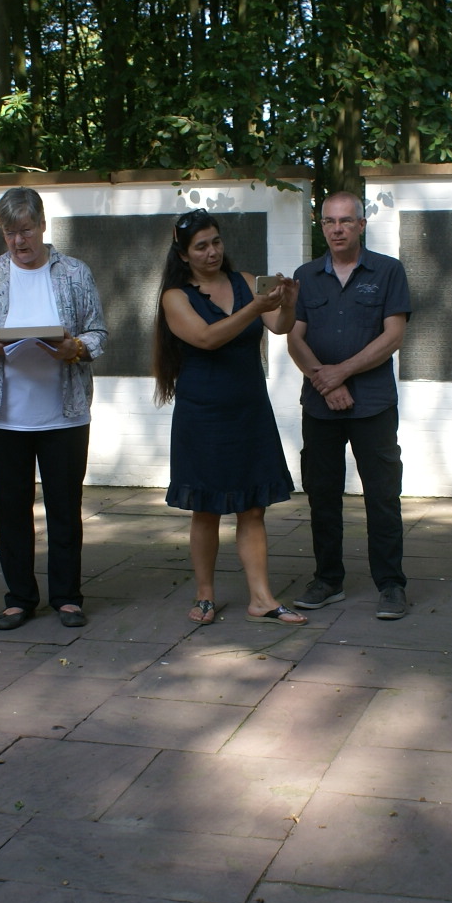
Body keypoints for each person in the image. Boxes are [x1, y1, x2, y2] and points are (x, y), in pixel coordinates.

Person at [0, 188, 108, 631]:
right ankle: (19, 598)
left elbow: (99, 333)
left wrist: (75, 347)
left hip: (65, 413)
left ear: (43, 225)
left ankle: (67, 597)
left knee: (65, 508)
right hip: (4, 415)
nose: (18, 241)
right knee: (11, 509)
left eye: (25, 230)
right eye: (9, 233)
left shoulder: (75, 272)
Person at [153, 209, 306, 626]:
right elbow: (207, 338)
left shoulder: (245, 281)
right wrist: (255, 308)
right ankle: (205, 594)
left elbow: (280, 326)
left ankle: (261, 598)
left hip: (249, 410)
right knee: (206, 508)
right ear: (183, 254)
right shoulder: (175, 297)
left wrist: (288, 304)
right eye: (201, 246)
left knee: (253, 507)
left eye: (216, 242)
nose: (212, 252)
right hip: (203, 415)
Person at [287, 190, 413, 619]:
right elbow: (295, 339)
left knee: (382, 495)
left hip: (373, 404)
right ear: (321, 226)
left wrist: (340, 372)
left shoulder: (388, 271)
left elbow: (393, 336)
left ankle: (391, 585)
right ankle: (328, 579)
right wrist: (325, 383)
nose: (337, 229)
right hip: (320, 405)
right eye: (329, 221)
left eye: (345, 221)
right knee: (322, 495)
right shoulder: (305, 276)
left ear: (361, 225)